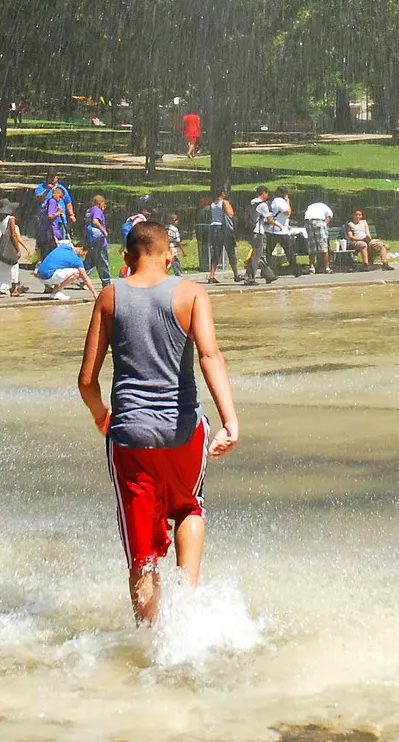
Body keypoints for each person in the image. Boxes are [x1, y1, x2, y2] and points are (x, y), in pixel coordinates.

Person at [76, 221, 241, 624]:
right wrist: (229, 420)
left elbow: (86, 381)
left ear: (126, 259)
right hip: (183, 429)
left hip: (130, 436)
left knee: (142, 555)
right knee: (189, 508)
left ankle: (149, 641)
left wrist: (102, 416)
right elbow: (209, 356)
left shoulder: (109, 298)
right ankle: (186, 613)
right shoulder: (191, 293)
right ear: (171, 255)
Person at [0, 198, 27, 297]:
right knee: (13, 266)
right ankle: (14, 290)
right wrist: (18, 249)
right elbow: (13, 234)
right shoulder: (10, 219)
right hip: (7, 245)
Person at [34, 172, 75, 256]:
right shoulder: (42, 187)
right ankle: (43, 258)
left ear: (57, 178)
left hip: (59, 220)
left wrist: (71, 214)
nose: (52, 179)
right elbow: (38, 198)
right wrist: (47, 190)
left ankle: (59, 258)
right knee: (44, 241)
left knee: (60, 241)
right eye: (50, 177)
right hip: (46, 221)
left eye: (54, 177)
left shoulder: (61, 188)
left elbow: (68, 202)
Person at [202, 191, 237, 283]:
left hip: (213, 228)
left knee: (216, 252)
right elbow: (230, 214)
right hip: (223, 228)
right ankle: (236, 274)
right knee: (231, 251)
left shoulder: (212, 204)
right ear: (222, 193)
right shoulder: (224, 202)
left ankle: (212, 276)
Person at [84, 195, 112, 288]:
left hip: (90, 240)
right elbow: (95, 221)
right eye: (103, 203)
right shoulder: (97, 211)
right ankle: (106, 282)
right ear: (101, 203)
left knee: (90, 261)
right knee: (102, 261)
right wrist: (104, 231)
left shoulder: (89, 210)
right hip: (99, 241)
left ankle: (81, 279)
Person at [302, 199, 334, 274]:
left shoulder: (311, 206)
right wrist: (325, 225)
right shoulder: (327, 208)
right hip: (319, 221)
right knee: (323, 246)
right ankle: (326, 268)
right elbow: (328, 217)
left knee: (312, 246)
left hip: (307, 221)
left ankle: (312, 268)